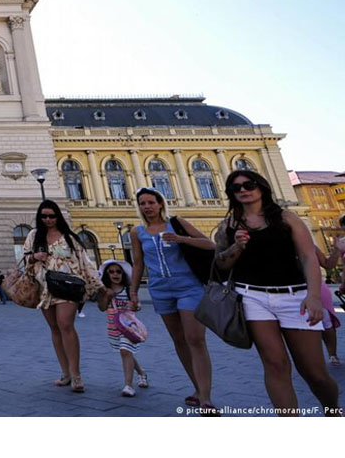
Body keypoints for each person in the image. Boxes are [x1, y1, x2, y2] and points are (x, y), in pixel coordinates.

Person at [215, 170, 340, 416]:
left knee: (314, 373)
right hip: (252, 297)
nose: (243, 190)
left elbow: (308, 258)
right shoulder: (227, 226)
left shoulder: (287, 218)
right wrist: (236, 247)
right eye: (235, 188)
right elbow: (220, 264)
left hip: (294, 297)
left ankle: (333, 411)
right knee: (275, 364)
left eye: (248, 184)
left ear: (261, 187)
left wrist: (314, 295)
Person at [128, 187, 217, 413]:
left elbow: (210, 244)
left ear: (160, 204)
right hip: (160, 289)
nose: (147, 207)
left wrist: (181, 239)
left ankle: (206, 398)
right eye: (142, 203)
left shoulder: (176, 223)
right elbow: (138, 264)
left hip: (188, 286)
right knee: (179, 341)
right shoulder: (137, 232)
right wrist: (134, 292)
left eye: (151, 202)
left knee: (195, 339)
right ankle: (197, 388)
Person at [24, 200, 102, 393]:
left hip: (68, 286)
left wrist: (97, 285)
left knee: (65, 324)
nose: (48, 219)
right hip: (45, 287)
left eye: (52, 215)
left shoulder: (69, 237)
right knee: (55, 328)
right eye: (44, 216)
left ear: (58, 216)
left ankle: (76, 375)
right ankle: (65, 373)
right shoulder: (34, 235)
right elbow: (25, 258)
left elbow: (84, 261)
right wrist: (35, 257)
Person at [97, 260, 149, 397]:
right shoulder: (104, 291)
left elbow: (137, 306)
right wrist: (107, 297)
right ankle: (142, 373)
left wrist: (135, 306)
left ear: (123, 274)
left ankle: (128, 385)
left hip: (129, 328)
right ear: (106, 275)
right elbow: (102, 308)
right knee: (126, 353)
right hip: (114, 328)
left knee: (125, 351)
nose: (115, 274)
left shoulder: (128, 289)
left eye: (118, 271)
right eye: (112, 272)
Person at [314, 238, 342, 366]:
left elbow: (328, 264)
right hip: (291, 292)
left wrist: (337, 249)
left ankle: (332, 354)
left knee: (326, 321)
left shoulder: (309, 246)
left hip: (317, 288)